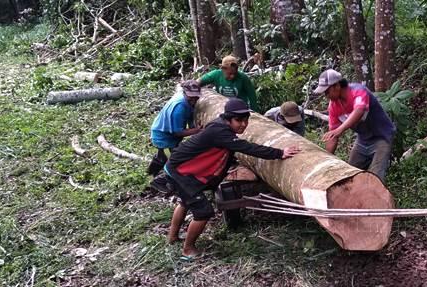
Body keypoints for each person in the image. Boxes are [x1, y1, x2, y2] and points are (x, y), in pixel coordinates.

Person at [164, 98, 300, 259]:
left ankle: (172, 238)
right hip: (180, 172)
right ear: (228, 119)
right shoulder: (220, 131)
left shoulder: (221, 127)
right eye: (238, 120)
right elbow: (246, 147)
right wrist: (279, 153)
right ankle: (188, 249)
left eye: (246, 120)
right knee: (203, 212)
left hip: (181, 170)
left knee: (185, 201)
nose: (243, 124)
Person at [314, 69, 396, 182]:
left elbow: (359, 110)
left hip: (382, 137)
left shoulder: (358, 91)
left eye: (327, 92)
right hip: (363, 140)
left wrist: (340, 129)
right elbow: (333, 136)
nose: (326, 95)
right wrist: (326, 159)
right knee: (350, 175)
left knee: (375, 177)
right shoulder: (333, 106)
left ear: (337, 86)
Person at [147, 80, 202, 177]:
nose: (193, 99)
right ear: (185, 92)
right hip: (164, 138)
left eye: (196, 96)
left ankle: (151, 172)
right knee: (172, 160)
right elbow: (177, 132)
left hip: (169, 136)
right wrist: (196, 130)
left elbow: (190, 115)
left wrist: (194, 127)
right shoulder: (179, 107)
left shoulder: (188, 103)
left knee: (164, 156)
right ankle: (158, 179)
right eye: (191, 96)